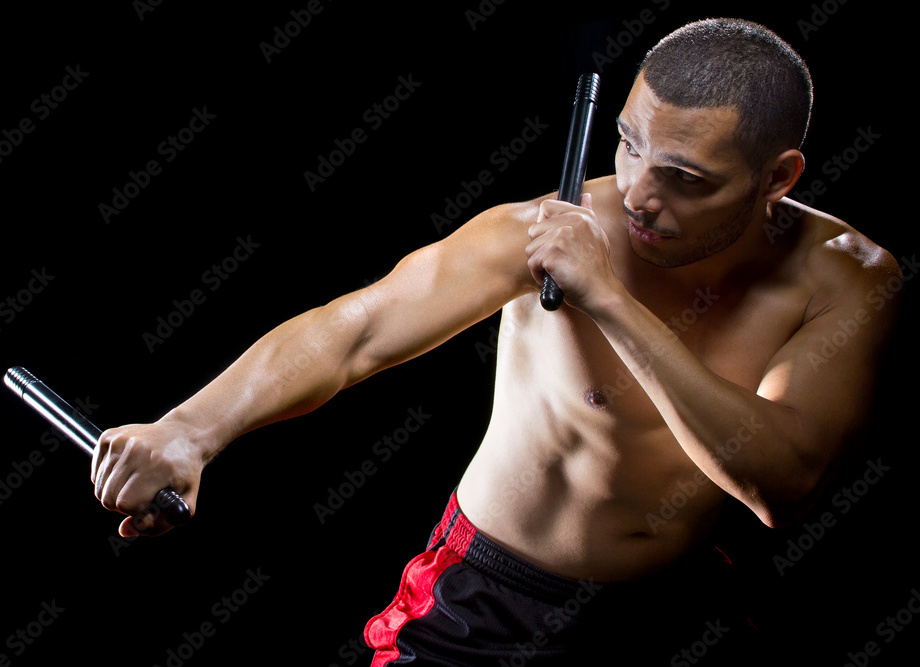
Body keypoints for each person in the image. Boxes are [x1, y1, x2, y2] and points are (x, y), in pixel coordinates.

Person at [90, 18, 901, 665]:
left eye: (686, 178)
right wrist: (192, 429)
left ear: (779, 177)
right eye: (628, 144)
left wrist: (606, 297)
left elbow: (780, 485)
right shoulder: (542, 229)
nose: (641, 195)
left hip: (675, 609)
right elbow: (360, 328)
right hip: (491, 604)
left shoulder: (845, 276)